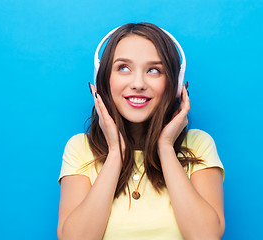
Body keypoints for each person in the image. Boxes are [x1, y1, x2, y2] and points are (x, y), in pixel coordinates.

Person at [57, 22, 225, 240]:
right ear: (104, 79)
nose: (138, 83)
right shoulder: (80, 148)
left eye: (154, 70)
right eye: (123, 68)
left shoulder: (199, 144)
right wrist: (116, 153)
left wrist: (165, 147)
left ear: (175, 85)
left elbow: (206, 236)